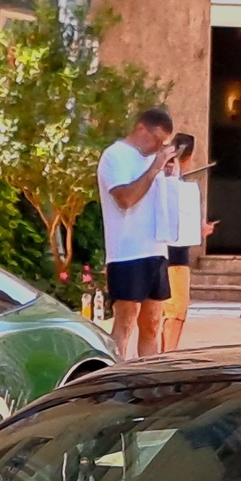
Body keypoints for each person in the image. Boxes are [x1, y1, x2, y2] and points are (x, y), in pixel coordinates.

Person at [96, 107, 174, 361]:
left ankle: (150, 384)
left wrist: (171, 174)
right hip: (127, 252)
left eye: (164, 143)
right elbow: (125, 199)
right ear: (141, 128)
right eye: (157, 140)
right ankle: (117, 380)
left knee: (152, 323)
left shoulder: (154, 161)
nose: (158, 147)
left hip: (156, 248)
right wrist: (154, 169)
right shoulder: (115, 156)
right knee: (126, 321)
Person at [159, 131, 214, 354]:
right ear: (188, 158)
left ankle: (164, 354)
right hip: (176, 256)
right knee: (176, 312)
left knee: (167, 311)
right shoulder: (177, 186)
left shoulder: (164, 183)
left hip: (161, 255)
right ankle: (168, 356)